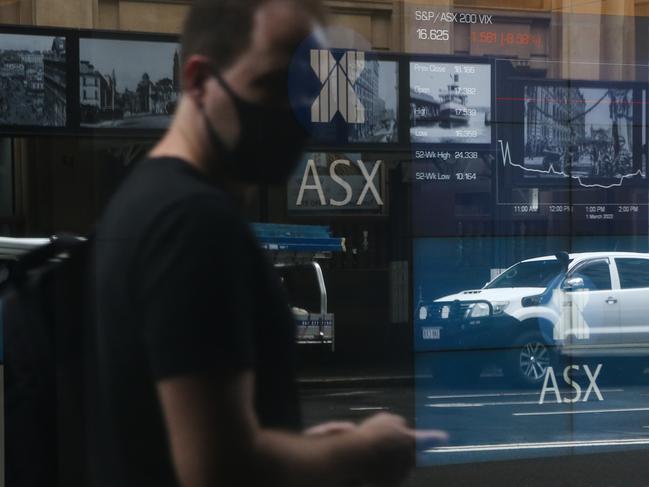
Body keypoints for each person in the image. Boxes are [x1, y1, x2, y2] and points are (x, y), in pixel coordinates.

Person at [91, 1, 446, 486]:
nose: (293, 116)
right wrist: (360, 452)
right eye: (271, 85)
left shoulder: (143, 201)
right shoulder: (197, 225)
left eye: (304, 93)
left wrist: (303, 446)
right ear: (198, 82)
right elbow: (220, 468)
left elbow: (166, 434)